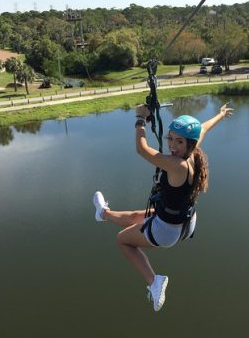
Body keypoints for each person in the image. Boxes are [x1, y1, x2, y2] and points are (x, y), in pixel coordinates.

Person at [93, 103, 233, 311]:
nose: (173, 145)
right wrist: (220, 115)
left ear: (190, 144)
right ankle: (103, 213)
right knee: (135, 216)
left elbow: (142, 149)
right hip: (183, 221)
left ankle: (154, 282)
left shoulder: (177, 165)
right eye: (170, 138)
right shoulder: (192, 154)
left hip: (166, 230)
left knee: (122, 240)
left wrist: (140, 118)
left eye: (179, 141)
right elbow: (203, 128)